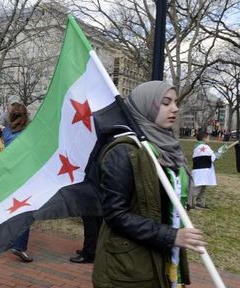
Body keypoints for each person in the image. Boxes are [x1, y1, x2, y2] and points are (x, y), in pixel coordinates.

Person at [92, 81, 206, 288]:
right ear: (145, 105)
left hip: (164, 257)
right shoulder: (124, 150)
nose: (175, 108)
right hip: (130, 268)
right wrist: (172, 236)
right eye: (165, 102)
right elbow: (115, 214)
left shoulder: (168, 147)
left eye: (175, 102)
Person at [2, 102, 33, 262]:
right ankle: (19, 246)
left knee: (13, 209)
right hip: (24, 177)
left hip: (10, 177)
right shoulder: (29, 133)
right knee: (25, 211)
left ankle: (12, 241)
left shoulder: (6, 133)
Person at [190, 130, 221, 209]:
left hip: (201, 171)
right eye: (208, 138)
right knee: (197, 188)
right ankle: (188, 203)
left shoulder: (197, 146)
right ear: (204, 138)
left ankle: (200, 203)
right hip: (201, 171)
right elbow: (213, 157)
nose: (209, 139)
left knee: (202, 188)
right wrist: (220, 152)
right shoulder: (204, 147)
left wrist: (219, 152)